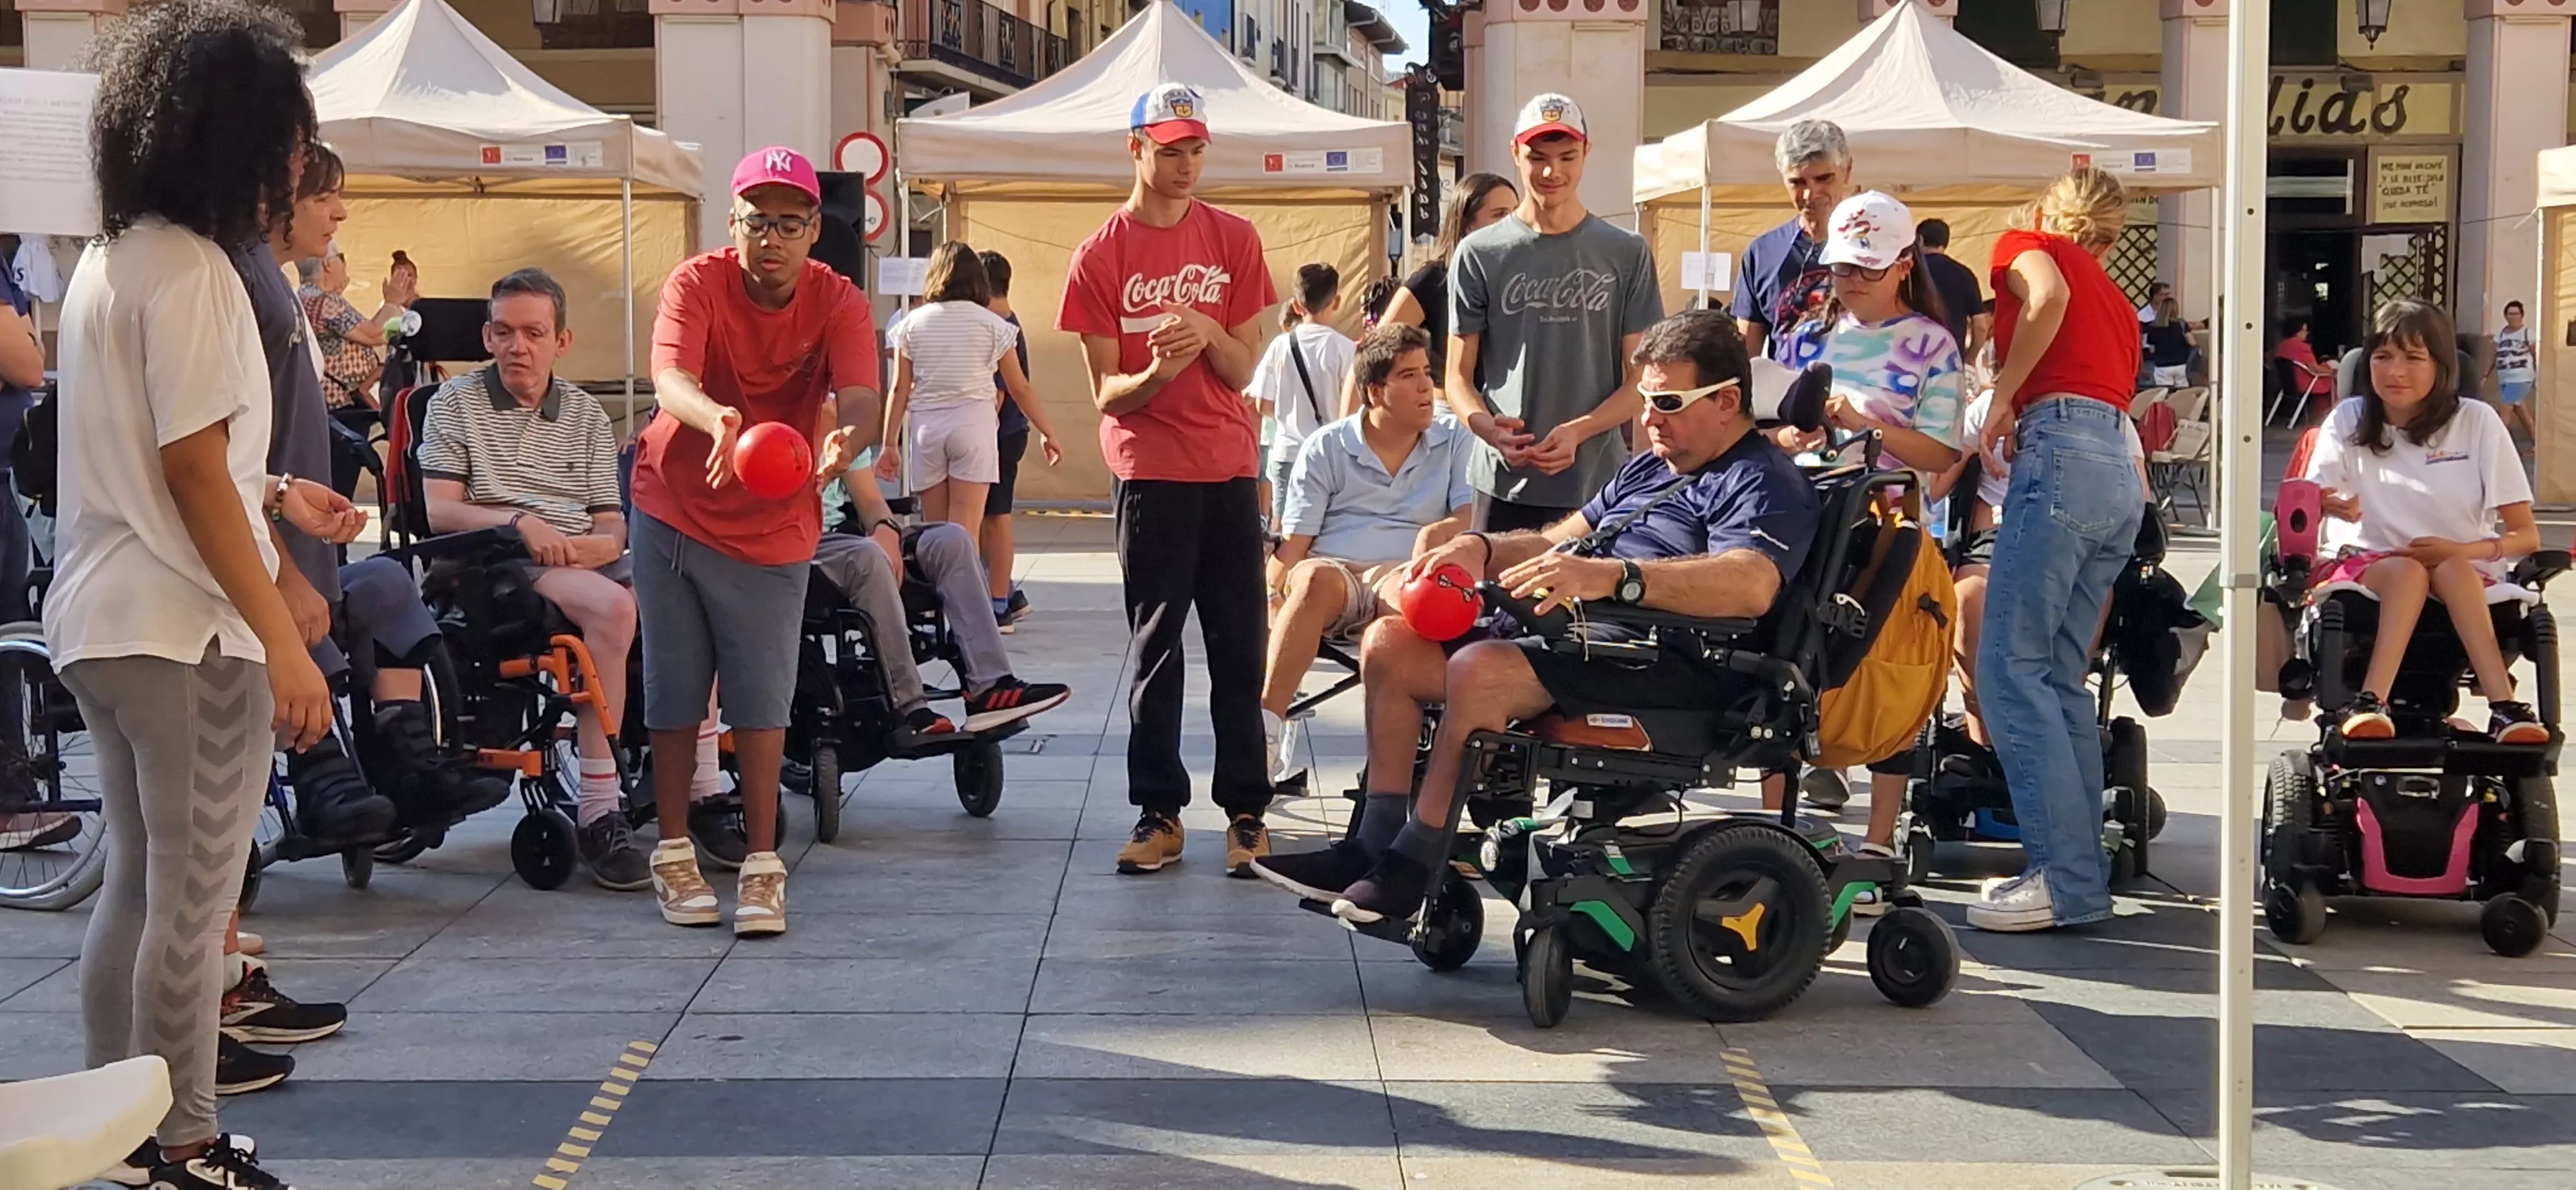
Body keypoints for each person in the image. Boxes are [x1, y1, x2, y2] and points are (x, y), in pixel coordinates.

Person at [48, 4, 357, 1185]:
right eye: (288, 138)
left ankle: (116, 1130)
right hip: (183, 633)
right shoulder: (198, 276)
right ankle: (181, 1142)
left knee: (136, 884)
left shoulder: (116, 261)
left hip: (105, 619)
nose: (296, 163)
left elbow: (175, 456)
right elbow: (185, 469)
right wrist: (279, 634)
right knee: (193, 900)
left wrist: (277, 508)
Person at [1255, 311, 1820, 919]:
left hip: (1667, 659)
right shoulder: (1652, 467)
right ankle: (1371, 841)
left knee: (1480, 670)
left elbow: (1751, 584)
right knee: (1391, 640)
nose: (1649, 418)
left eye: (1667, 402)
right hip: (1579, 640)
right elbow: (1560, 538)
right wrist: (1483, 548)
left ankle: (1413, 863)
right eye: (1647, 401)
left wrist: (1614, 578)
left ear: (1728, 400)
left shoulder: (1764, 482)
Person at [634, 146, 867, 935]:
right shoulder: (696, 282)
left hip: (778, 513)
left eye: (790, 223)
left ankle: (763, 869)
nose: (772, 237)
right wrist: (716, 419)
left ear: (814, 231)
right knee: (676, 685)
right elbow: (670, 375)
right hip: (674, 502)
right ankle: (672, 853)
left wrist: (848, 441)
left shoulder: (838, 299)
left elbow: (861, 390)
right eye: (757, 221)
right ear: (731, 223)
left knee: (763, 695)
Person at [1059, 83, 1280, 878]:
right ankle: (1159, 812)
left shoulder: (1233, 238)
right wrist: (1154, 371)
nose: (1185, 165)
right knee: (1157, 649)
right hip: (1149, 471)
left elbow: (1243, 367)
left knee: (1238, 645)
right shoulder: (1100, 254)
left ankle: (1247, 812)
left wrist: (1210, 330)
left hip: (1226, 466)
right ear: (1136, 149)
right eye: (1169, 149)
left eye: (1194, 149)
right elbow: (1104, 393)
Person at [417, 267, 654, 889]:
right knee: (613, 610)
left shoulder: (583, 413)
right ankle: (603, 808)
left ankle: (702, 786)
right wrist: (520, 521)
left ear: (562, 341)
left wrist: (597, 546)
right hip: (495, 564)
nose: (516, 346)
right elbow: (440, 509)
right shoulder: (455, 405)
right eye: (503, 332)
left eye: (532, 333)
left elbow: (610, 517)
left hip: (577, 558)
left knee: (689, 599)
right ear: (487, 336)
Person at [1970, 167, 2148, 934]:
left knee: (2009, 669)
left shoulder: (2026, 245)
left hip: (2062, 445)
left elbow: (2045, 298)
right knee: (2060, 678)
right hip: (2119, 464)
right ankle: (2079, 876)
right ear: (2109, 235)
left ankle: (2063, 875)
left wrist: (2005, 389)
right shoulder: (2119, 299)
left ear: (2046, 210)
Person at [1772, 191, 1963, 863]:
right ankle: (1777, 828)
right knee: (1783, 668)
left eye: (1867, 269)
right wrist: (1793, 433)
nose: (1850, 282)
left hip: (1892, 530)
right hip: (1808, 520)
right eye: (1842, 268)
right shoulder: (1803, 334)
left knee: (1895, 672)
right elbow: (1776, 422)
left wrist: (1865, 424)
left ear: (1904, 265)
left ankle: (1879, 843)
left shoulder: (1931, 344)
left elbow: (1942, 453)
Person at [2307, 300, 2546, 746]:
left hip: (2463, 569)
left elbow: (2526, 535)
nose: (2395, 371)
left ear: (2441, 365)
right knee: (2408, 570)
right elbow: (2311, 497)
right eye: (2383, 356)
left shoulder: (2477, 422)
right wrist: (2331, 505)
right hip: (2368, 566)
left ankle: (2505, 708)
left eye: (2413, 358)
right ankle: (2371, 702)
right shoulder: (2349, 419)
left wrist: (2460, 551)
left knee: (2449, 568)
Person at [1262, 324, 1473, 784]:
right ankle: (1266, 732)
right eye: (1409, 376)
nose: (1425, 388)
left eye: (1426, 373)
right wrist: (1267, 589)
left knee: (1407, 601)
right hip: (1335, 569)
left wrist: (1435, 534)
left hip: (1405, 570)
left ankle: (1391, 767)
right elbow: (1296, 544)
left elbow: (1467, 518)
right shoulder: (1328, 446)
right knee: (1312, 580)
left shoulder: (1453, 437)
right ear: (1375, 392)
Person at [1447, 93, 1663, 534]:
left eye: (1566, 156)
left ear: (1586, 152)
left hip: (1598, 484)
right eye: (1537, 157)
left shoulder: (1627, 253)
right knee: (1498, 601)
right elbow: (1457, 377)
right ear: (1515, 153)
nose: (1552, 172)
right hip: (1502, 483)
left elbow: (1641, 377)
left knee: (1590, 602)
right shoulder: (1478, 254)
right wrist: (1490, 430)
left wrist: (1581, 430)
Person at [877, 243, 1037, 551]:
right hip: (974, 426)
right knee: (966, 535)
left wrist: (888, 444)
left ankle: (939, 598)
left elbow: (899, 388)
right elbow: (1020, 387)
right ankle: (966, 598)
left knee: (936, 535)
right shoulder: (995, 325)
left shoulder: (910, 324)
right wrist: (1049, 432)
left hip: (928, 430)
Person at [975, 250, 1063, 632]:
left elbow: (1001, 394)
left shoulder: (996, 325)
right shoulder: (1008, 321)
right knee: (981, 520)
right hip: (1005, 434)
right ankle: (1008, 593)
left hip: (999, 435)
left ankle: (999, 606)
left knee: (994, 519)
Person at [1377, 173, 1517, 389]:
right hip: (1448, 412)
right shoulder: (1435, 278)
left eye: (1516, 214)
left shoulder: (1523, 280)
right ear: (1468, 225)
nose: (1511, 224)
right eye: (1500, 214)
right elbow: (1377, 349)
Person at [1247, 263, 1357, 530]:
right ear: (1337, 301)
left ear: (1296, 305)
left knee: (1284, 530)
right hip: (1330, 455)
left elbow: (1262, 404)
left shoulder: (1280, 346)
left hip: (1287, 452)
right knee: (1327, 530)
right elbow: (1354, 407)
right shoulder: (1345, 349)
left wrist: (1290, 410)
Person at [1734, 119, 1850, 362]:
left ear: (1847, 171)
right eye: (1798, 183)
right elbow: (1746, 356)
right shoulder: (1762, 253)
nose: (1810, 193)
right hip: (1784, 395)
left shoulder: (1879, 244)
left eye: (1824, 179)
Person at [295, 241, 410, 412]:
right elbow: (375, 334)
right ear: (327, 264)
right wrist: (393, 303)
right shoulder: (326, 300)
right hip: (338, 402)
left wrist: (389, 303)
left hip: (326, 400)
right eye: (340, 258)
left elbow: (365, 329)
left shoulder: (306, 295)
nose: (344, 265)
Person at [1913, 217, 1991, 363]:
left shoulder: (1907, 272)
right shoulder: (1964, 274)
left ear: (1920, 239)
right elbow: (1981, 325)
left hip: (1910, 355)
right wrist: (1970, 358)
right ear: (1946, 242)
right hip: (1951, 357)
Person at [2492, 299, 2537, 446]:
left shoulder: (2527, 333)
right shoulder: (2502, 333)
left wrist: (2539, 375)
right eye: (2510, 314)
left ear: (2521, 316)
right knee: (2523, 414)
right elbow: (2496, 354)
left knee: (2504, 412)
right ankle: (2538, 445)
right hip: (2505, 377)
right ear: (2506, 316)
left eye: (2516, 314)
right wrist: (2486, 374)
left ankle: (2498, 446)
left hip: (2521, 378)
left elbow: (2535, 354)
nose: (2513, 317)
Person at [2275, 319, 2335, 404]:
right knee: (2334, 380)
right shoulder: (2302, 346)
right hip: (2305, 384)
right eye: (2305, 330)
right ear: (2297, 331)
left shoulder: (2280, 346)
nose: (2307, 333)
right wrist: (2333, 372)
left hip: (2288, 386)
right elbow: (2315, 369)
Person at [2143, 296, 2195, 390]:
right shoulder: (2181, 324)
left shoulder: (2153, 327)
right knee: (2182, 395)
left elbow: (2152, 349)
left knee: (2164, 394)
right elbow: (2192, 343)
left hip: (2162, 367)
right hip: (2181, 365)